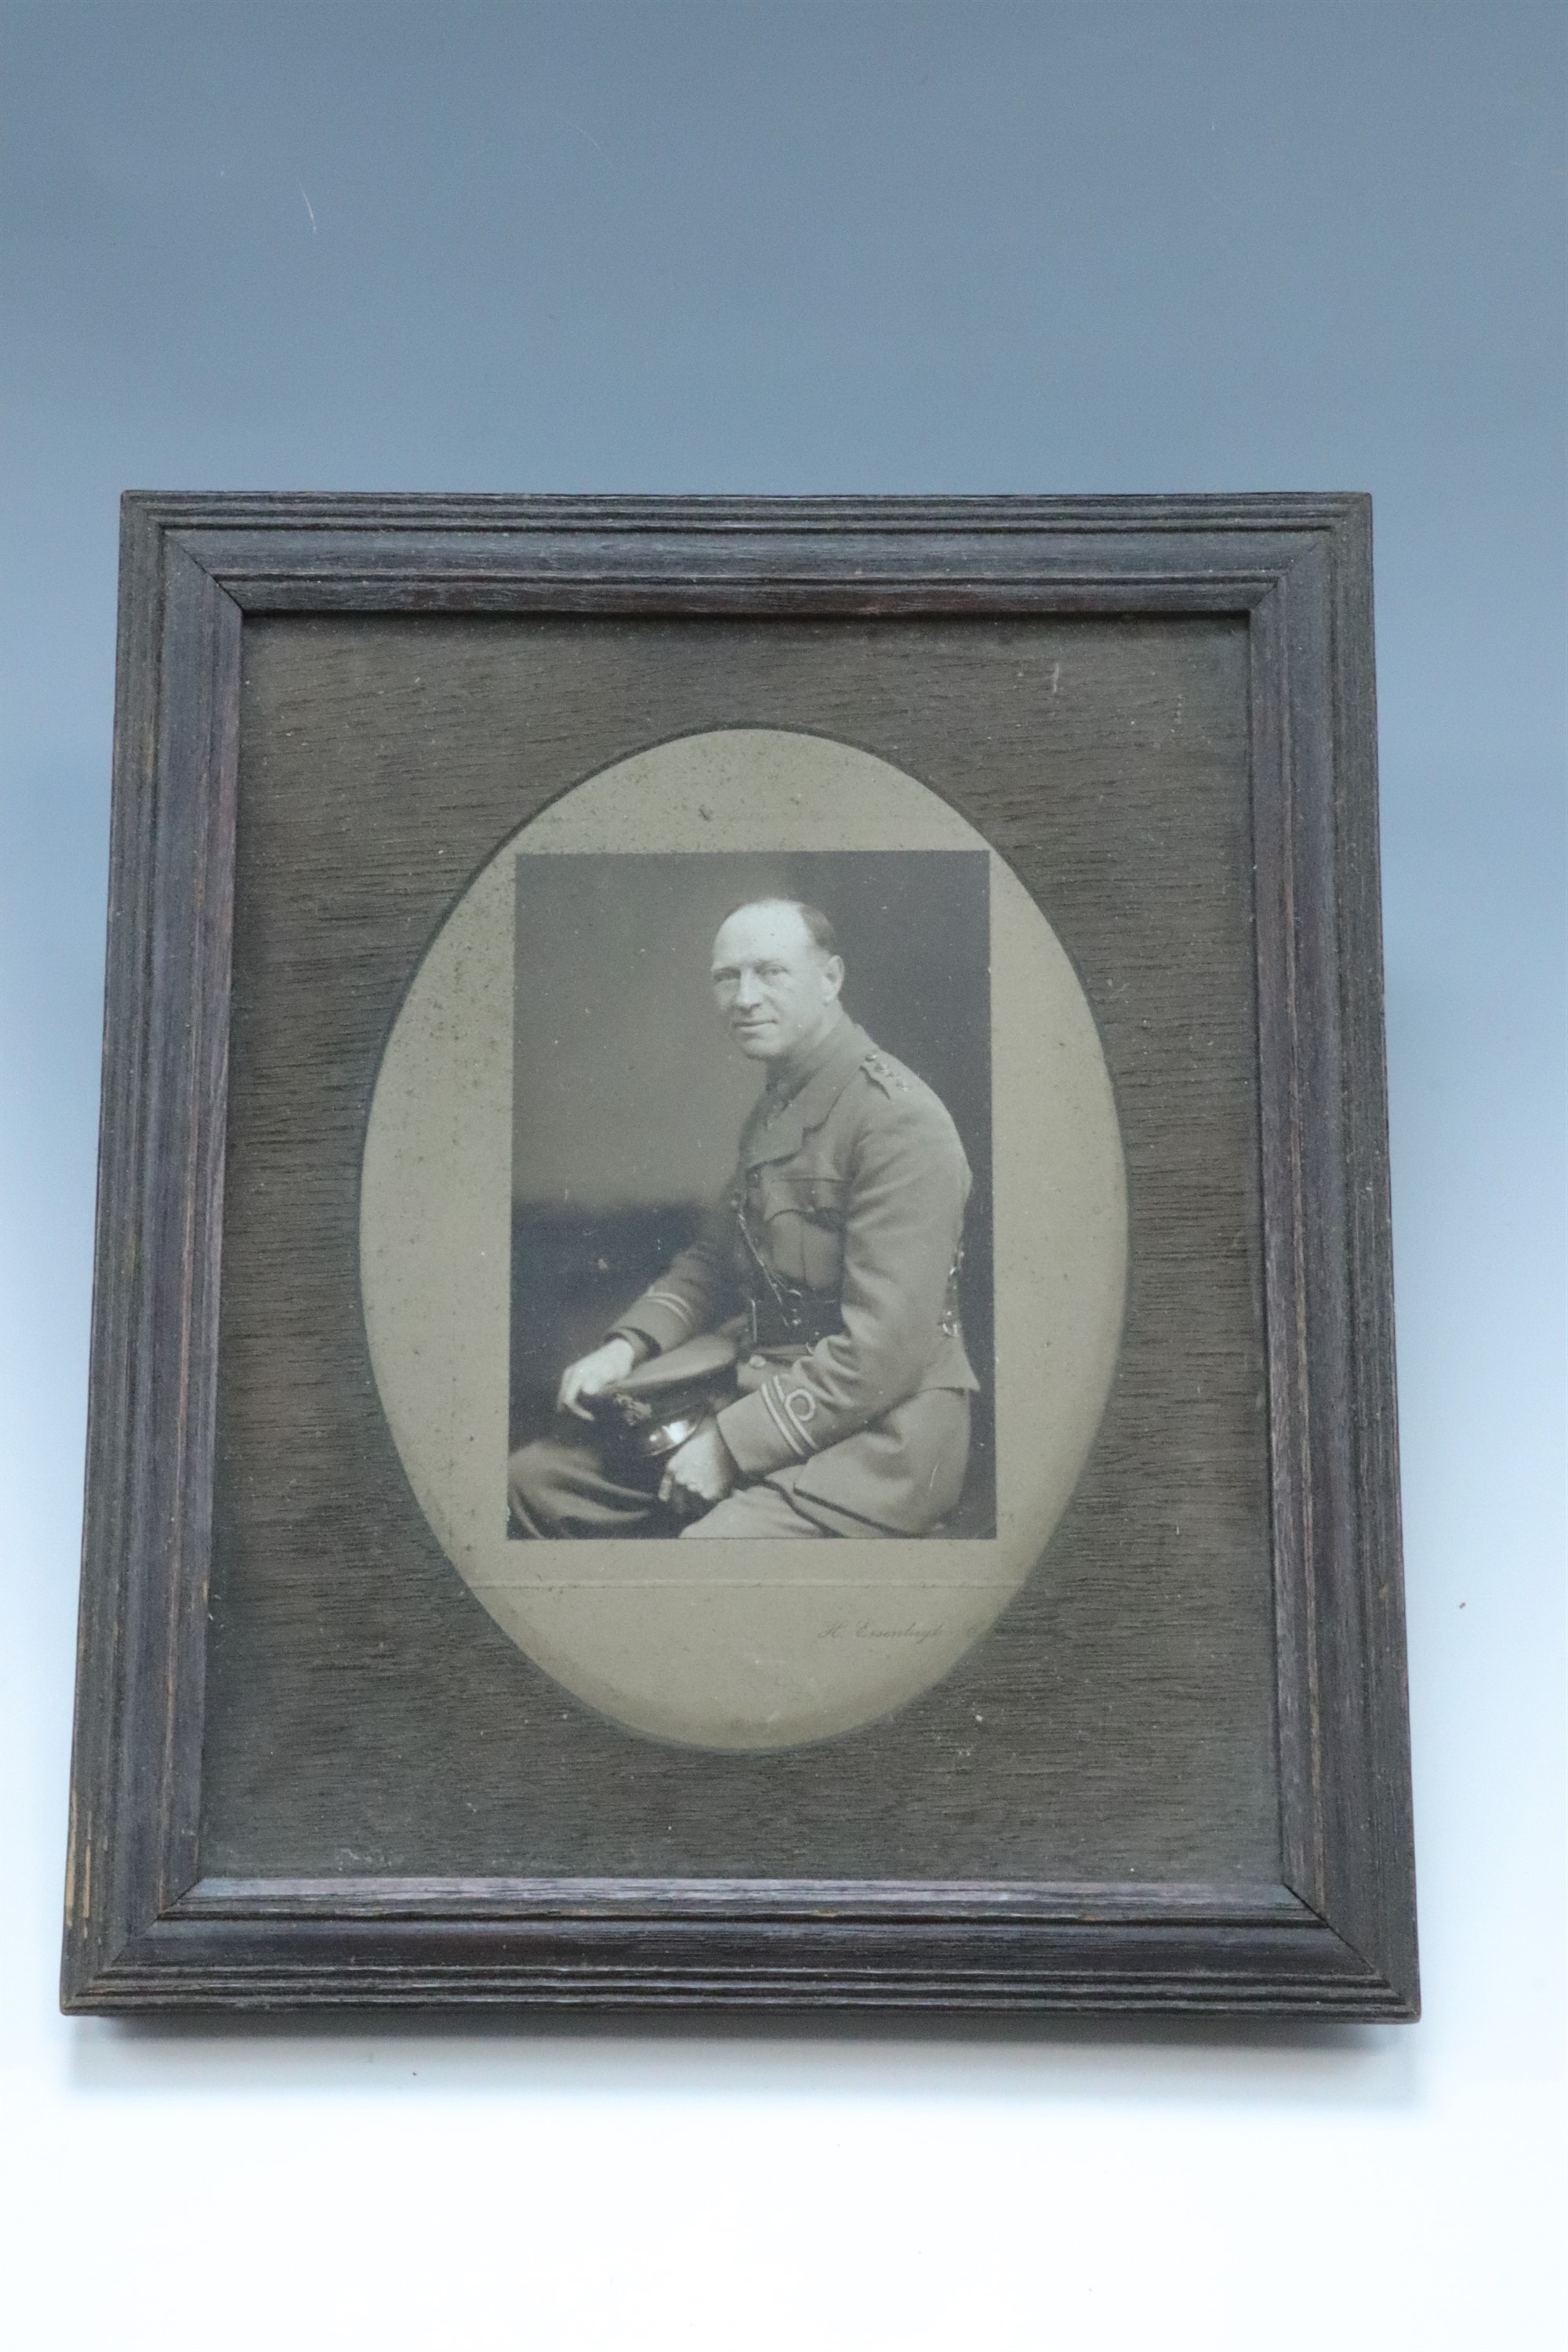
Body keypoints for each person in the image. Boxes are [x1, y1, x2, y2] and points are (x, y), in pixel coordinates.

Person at [508, 898, 978, 1538]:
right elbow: (713, 1260)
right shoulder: (779, 1106)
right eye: (726, 976)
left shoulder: (897, 1120)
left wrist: (729, 1445)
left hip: (881, 1443)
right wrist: (626, 1346)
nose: (744, 997)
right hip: (766, 1401)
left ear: (831, 979)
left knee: (708, 1558)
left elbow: (884, 1352)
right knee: (533, 1485)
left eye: (770, 972)